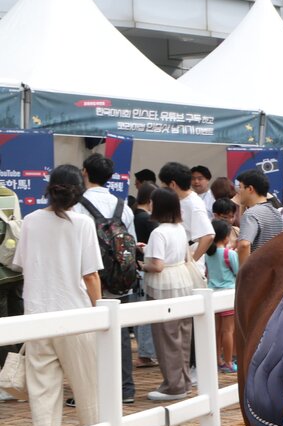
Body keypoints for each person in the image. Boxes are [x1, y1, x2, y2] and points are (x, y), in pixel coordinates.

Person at [12, 165, 102, 426]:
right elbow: (90, 275)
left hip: (37, 315)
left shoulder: (31, 221)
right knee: (89, 388)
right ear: (79, 191)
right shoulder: (83, 223)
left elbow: (23, 266)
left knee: (42, 393)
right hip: (76, 315)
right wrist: (98, 311)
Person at [72, 153, 137, 404]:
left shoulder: (78, 206)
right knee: (119, 334)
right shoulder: (124, 207)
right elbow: (130, 245)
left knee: (90, 336)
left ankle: (94, 391)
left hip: (89, 278)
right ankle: (125, 388)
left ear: (85, 172)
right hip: (120, 279)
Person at [141, 188, 195, 401]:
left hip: (164, 285)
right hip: (182, 280)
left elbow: (157, 265)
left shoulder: (159, 232)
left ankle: (173, 386)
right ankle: (183, 381)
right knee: (182, 335)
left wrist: (141, 264)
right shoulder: (179, 228)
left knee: (166, 337)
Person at [159, 161, 215, 262]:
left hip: (188, 255)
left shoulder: (194, 204)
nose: (162, 188)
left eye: (163, 185)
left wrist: (192, 262)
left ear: (172, 184)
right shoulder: (178, 199)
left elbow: (208, 236)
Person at [205, 219, 240, 374]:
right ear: (226, 237)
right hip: (227, 295)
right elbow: (238, 272)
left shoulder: (208, 254)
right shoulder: (229, 253)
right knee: (228, 330)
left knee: (216, 330)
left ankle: (216, 360)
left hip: (212, 295)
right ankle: (228, 362)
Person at [131, 182, 158, 368]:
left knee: (138, 313)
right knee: (147, 314)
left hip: (134, 269)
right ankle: (146, 353)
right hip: (145, 268)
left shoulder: (130, 215)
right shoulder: (150, 222)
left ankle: (145, 352)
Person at [235, 167, 283, 264]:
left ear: (250, 189)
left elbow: (244, 245)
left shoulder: (251, 214)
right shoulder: (276, 213)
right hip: (275, 270)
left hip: (257, 272)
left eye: (240, 187)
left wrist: (243, 272)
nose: (238, 192)